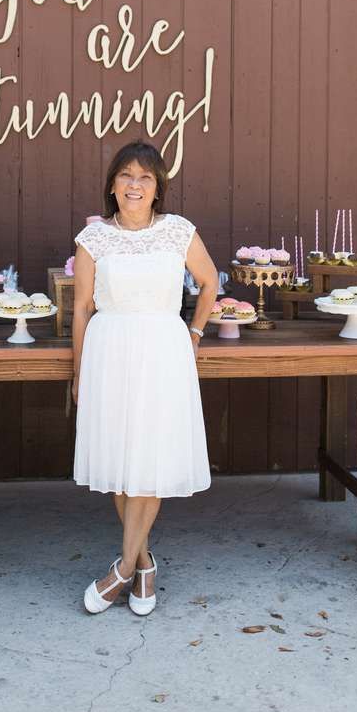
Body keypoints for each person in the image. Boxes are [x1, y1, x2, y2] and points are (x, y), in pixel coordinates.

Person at [72, 140, 217, 615]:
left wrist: (193, 333)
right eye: (126, 176)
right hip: (109, 351)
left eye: (145, 178)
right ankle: (145, 562)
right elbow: (81, 307)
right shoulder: (93, 239)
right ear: (112, 185)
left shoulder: (177, 231)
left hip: (162, 351)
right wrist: (77, 371)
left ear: (158, 189)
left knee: (148, 461)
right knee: (120, 461)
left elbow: (209, 280)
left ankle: (121, 572)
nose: (135, 185)